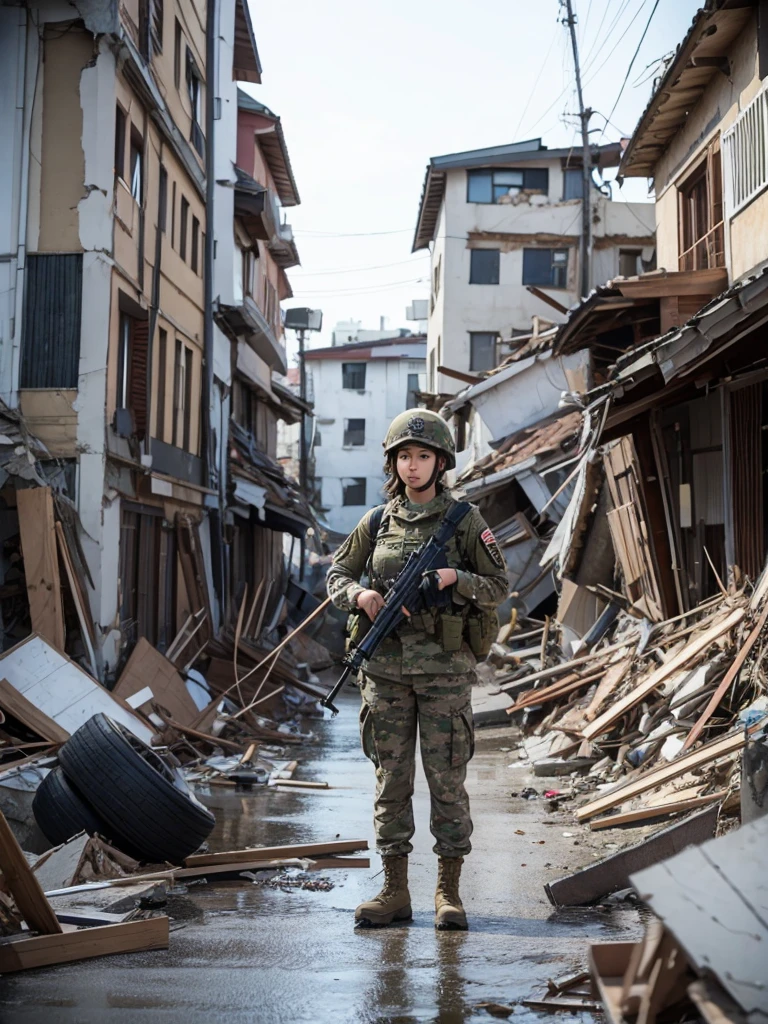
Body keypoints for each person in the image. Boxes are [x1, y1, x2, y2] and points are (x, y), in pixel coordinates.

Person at [326, 410, 509, 930]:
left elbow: (499, 586)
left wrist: (456, 577)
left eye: (423, 456)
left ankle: (448, 893)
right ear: (393, 462)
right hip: (384, 673)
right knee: (391, 782)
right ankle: (394, 890)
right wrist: (359, 594)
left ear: (441, 462)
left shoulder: (466, 521)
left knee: (448, 781)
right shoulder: (377, 522)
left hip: (445, 674)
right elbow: (336, 572)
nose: (412, 466)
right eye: (404, 456)